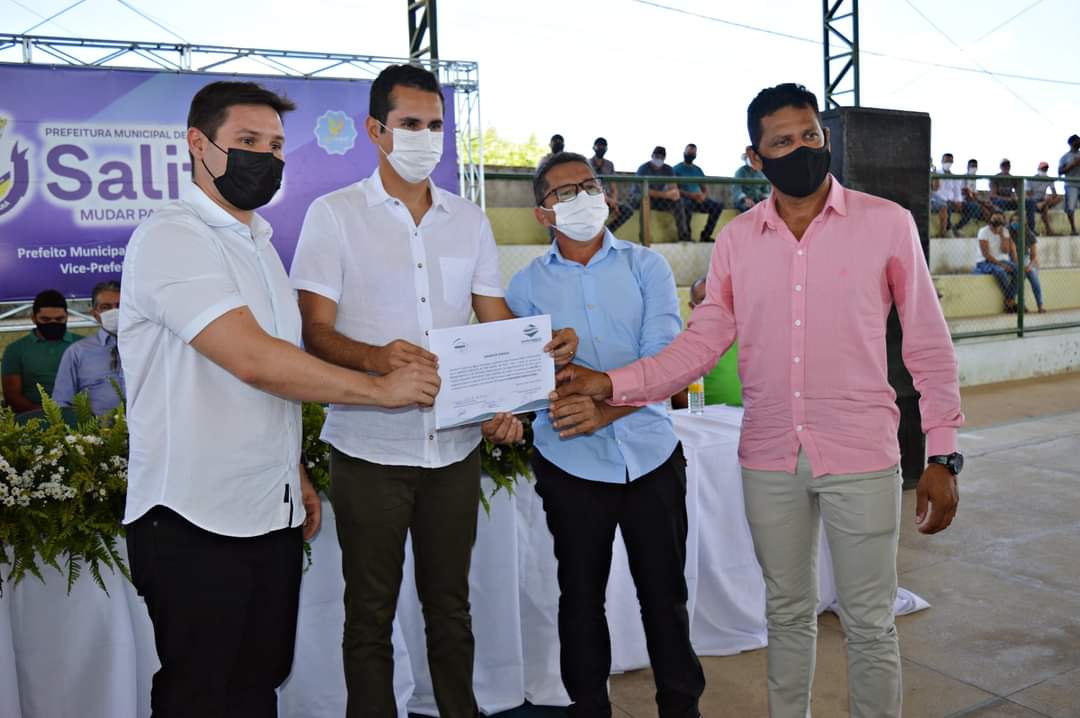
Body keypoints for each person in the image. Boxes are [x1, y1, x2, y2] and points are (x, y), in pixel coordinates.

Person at [552, 83, 963, 718]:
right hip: (769, 455)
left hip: (861, 451)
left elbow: (928, 344)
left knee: (870, 621)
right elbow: (699, 346)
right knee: (787, 614)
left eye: (811, 136)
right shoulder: (739, 240)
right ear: (755, 156)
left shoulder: (886, 223)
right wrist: (610, 384)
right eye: (783, 141)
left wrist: (943, 452)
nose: (801, 149)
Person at [120, 80, 442, 718]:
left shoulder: (261, 245)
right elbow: (254, 359)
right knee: (198, 695)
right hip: (192, 515)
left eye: (274, 146)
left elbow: (274, 381)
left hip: (270, 512)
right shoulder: (173, 237)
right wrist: (379, 389)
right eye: (247, 141)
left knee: (258, 684)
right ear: (198, 144)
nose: (265, 158)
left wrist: (292, 469)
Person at [289, 64, 577, 718]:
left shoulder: (468, 220)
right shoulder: (333, 216)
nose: (426, 137)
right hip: (368, 448)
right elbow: (315, 333)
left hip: (453, 450)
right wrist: (375, 359)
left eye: (436, 125)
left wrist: (533, 359)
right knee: (369, 614)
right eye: (410, 124)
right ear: (375, 130)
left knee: (451, 608)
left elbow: (493, 320)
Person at [506, 151, 704, 718]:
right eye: (565, 193)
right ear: (543, 214)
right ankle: (589, 707)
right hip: (571, 465)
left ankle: (681, 708)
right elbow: (527, 377)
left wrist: (606, 409)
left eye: (589, 186)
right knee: (580, 601)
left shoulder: (648, 267)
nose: (584, 199)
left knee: (665, 598)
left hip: (652, 457)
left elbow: (665, 360)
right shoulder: (524, 287)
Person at [51, 280, 125, 415]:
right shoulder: (77, 352)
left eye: (120, 306)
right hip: (97, 427)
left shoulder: (148, 347)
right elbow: (61, 402)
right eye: (106, 307)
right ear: (95, 314)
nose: (114, 311)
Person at [1, 289, 78, 413]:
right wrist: (49, 416)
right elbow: (12, 396)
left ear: (67, 317)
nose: (53, 323)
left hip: (81, 416)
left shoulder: (84, 345)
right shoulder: (15, 350)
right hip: (32, 417)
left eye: (59, 319)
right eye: (45, 320)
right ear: (33, 318)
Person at [634, 146, 690, 242]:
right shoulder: (643, 169)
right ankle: (644, 235)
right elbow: (644, 191)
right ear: (652, 156)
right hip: (641, 198)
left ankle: (683, 235)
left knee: (679, 202)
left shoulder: (668, 169)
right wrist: (666, 195)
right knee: (645, 201)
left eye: (661, 157)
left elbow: (674, 190)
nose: (659, 159)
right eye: (656, 156)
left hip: (659, 200)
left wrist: (673, 194)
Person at [673, 143, 723, 242]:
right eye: (689, 152)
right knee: (685, 206)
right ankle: (686, 237)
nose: (690, 155)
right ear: (684, 153)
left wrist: (703, 196)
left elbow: (704, 188)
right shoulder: (676, 169)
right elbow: (674, 189)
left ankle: (706, 235)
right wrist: (691, 195)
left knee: (717, 207)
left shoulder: (698, 170)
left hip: (699, 200)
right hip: (685, 199)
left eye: (693, 153)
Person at [974, 213, 1021, 312]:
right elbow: (986, 254)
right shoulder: (983, 232)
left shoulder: (1005, 232)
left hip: (1002, 260)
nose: (995, 228)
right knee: (1000, 272)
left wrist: (1002, 237)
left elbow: (1005, 251)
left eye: (998, 226)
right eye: (993, 225)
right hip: (985, 261)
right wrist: (1001, 265)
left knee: (1019, 271)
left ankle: (1009, 300)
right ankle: (1011, 301)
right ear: (990, 224)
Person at [590, 136, 633, 232]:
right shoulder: (587, 164)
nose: (601, 148)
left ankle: (608, 232)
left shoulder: (609, 165)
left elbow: (613, 187)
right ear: (593, 147)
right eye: (599, 146)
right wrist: (609, 200)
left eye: (603, 146)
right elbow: (590, 188)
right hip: (593, 199)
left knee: (627, 210)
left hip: (608, 201)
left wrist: (614, 202)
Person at [990, 158, 1037, 236]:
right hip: (1000, 201)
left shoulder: (1013, 178)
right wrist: (1007, 199)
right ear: (1001, 167)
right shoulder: (995, 178)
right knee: (1000, 202)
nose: (1006, 167)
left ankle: (1031, 230)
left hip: (1011, 201)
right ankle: (1003, 229)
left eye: (1008, 165)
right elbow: (993, 195)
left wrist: (1017, 198)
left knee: (1030, 202)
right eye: (1004, 165)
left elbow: (1019, 192)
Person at [931, 153, 965, 237]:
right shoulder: (936, 173)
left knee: (967, 207)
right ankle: (949, 230)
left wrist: (958, 201)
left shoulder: (954, 177)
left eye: (950, 161)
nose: (948, 163)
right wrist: (935, 176)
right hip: (937, 200)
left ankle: (954, 229)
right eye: (946, 161)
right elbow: (935, 189)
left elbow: (957, 192)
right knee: (945, 206)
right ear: (942, 161)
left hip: (951, 201)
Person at [958, 158, 994, 231]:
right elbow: (965, 192)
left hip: (973, 200)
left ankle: (992, 227)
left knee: (992, 208)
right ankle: (958, 227)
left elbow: (974, 193)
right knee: (978, 208)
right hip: (964, 201)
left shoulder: (974, 178)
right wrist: (979, 202)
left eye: (975, 166)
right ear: (968, 167)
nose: (974, 168)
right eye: (972, 166)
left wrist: (983, 201)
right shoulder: (964, 177)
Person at [1028, 162, 1062, 236]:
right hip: (1034, 201)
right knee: (1045, 206)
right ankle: (1049, 230)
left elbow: (1055, 193)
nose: (1044, 170)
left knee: (1057, 198)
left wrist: (1047, 197)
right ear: (1039, 169)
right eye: (1043, 168)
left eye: (1045, 169)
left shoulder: (1049, 179)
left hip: (1043, 201)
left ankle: (1042, 205)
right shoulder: (1031, 179)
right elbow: (1028, 194)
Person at [1058, 134, 1080, 235]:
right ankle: (1073, 229)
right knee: (1070, 208)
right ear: (1071, 143)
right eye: (1077, 140)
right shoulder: (1064, 157)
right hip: (1071, 185)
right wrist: (1073, 164)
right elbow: (1060, 172)